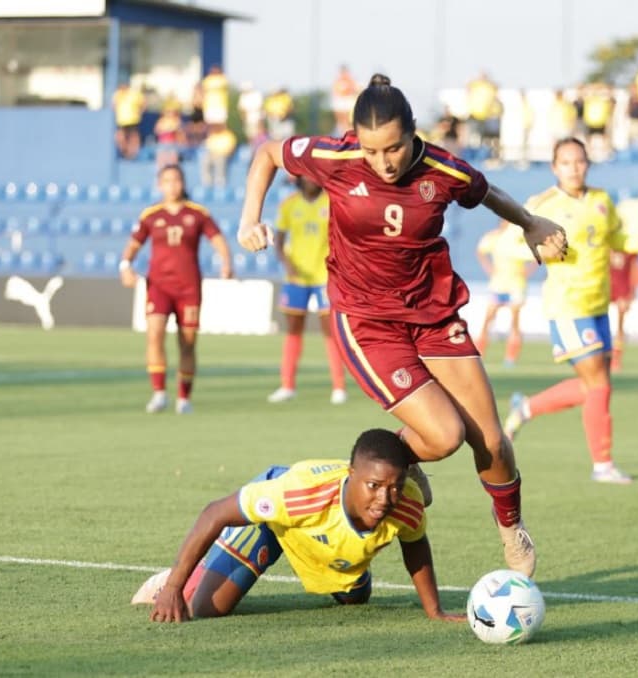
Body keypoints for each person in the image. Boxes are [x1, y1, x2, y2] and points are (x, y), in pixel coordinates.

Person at [236, 74, 569, 576]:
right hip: (368, 322)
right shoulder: (335, 158)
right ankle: (390, 465)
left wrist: (530, 222)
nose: (383, 162)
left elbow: (487, 191)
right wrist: (249, 219)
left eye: (393, 148)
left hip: (433, 314)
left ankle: (510, 528)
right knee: (444, 436)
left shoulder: (442, 169)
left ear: (413, 134)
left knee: (492, 441)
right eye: (371, 151)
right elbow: (267, 153)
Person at [136, 429, 463, 623]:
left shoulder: (407, 502)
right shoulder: (297, 494)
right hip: (276, 519)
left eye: (395, 486)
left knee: (356, 599)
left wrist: (434, 610)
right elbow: (214, 513)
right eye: (374, 485)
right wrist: (174, 588)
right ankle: (184, 576)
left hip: (324, 536)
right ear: (352, 475)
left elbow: (416, 546)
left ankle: (349, 564)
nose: (385, 498)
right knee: (207, 608)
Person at [503, 138, 638, 485]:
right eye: (566, 162)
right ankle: (602, 465)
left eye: (579, 161)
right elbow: (510, 244)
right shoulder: (542, 205)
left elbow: (616, 238)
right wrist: (541, 252)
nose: (574, 168)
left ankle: (525, 408)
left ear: (588, 164)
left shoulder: (601, 200)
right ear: (554, 167)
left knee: (594, 386)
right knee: (599, 384)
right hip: (568, 306)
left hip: (598, 304)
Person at [119, 165, 233, 414]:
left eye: (176, 180)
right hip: (158, 286)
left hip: (188, 287)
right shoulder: (151, 215)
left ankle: (184, 397)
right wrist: (125, 266)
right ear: (160, 185)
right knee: (154, 334)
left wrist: (226, 263)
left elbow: (217, 238)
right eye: (167, 181)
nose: (172, 185)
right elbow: (133, 245)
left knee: (188, 343)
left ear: (183, 183)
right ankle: (159, 393)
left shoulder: (198, 213)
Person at [268, 175, 349, 405]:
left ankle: (339, 387)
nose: (311, 180)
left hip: (325, 276)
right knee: (293, 329)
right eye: (306, 176)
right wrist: (287, 263)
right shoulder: (289, 204)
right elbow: (279, 240)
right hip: (297, 277)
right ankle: (287, 385)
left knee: (330, 331)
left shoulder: (331, 202)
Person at [474, 220, 532, 368]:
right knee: (488, 319)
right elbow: (480, 251)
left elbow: (537, 253)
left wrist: (528, 271)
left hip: (516, 284)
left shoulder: (519, 237)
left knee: (514, 321)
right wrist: (488, 268)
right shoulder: (494, 237)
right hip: (498, 284)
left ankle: (510, 358)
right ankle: (479, 354)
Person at [608, 249, 638, 374]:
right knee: (600, 321)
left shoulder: (629, 248)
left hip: (622, 288)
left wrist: (631, 292)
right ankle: (602, 356)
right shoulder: (605, 244)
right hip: (604, 286)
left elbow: (633, 269)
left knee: (620, 326)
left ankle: (616, 358)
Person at [112, 82, 145, 160]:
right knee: (121, 137)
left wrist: (139, 112)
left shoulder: (135, 94)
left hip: (133, 120)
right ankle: (125, 153)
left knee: (133, 137)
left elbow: (143, 104)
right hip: (121, 121)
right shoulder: (117, 94)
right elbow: (114, 105)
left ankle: (132, 154)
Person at [200, 124, 238, 189]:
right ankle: (207, 183)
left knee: (220, 160)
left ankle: (220, 183)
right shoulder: (213, 135)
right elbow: (207, 146)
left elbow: (231, 149)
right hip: (213, 154)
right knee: (205, 159)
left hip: (224, 155)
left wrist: (224, 153)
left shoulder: (228, 135)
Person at [153, 102, 187, 170]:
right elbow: (157, 130)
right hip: (162, 143)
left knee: (173, 160)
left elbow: (180, 133)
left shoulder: (177, 121)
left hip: (173, 144)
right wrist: (166, 129)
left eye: (172, 112)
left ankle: (174, 170)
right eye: (168, 111)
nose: (170, 113)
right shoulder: (161, 121)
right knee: (161, 160)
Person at [331, 65, 359, 135]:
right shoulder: (338, 80)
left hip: (348, 101)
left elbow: (354, 89)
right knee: (341, 120)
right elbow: (335, 91)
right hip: (341, 101)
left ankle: (348, 130)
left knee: (348, 120)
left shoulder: (350, 80)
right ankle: (341, 130)